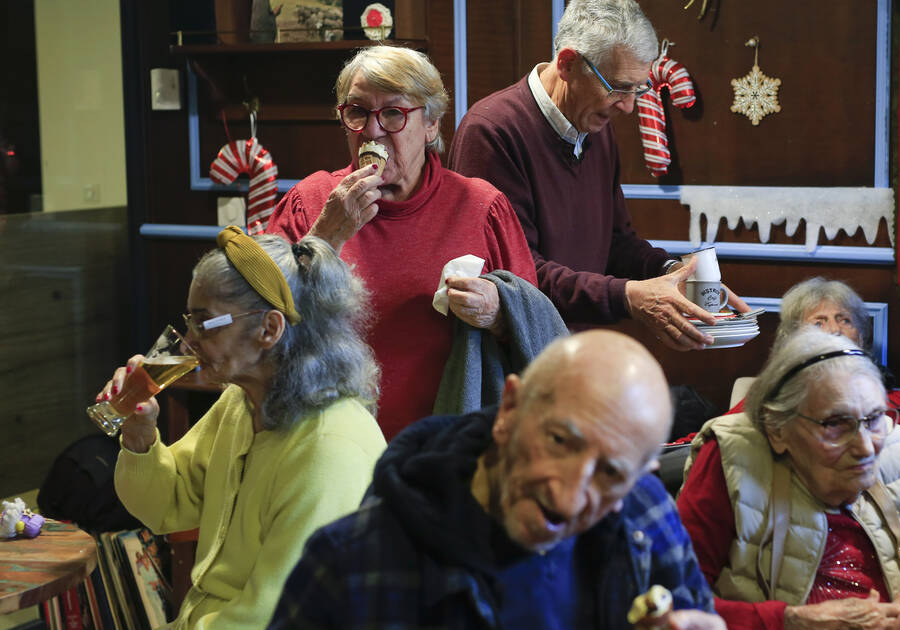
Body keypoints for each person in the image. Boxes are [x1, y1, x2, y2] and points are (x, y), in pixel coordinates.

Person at [269, 330, 726, 629]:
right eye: (560, 441)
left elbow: (695, 613)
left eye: (610, 474)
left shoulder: (645, 515)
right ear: (509, 409)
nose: (568, 500)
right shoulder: (353, 562)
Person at [101, 227, 387, 629]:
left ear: (269, 329)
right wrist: (139, 432)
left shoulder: (330, 448)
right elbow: (167, 504)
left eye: (205, 324)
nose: (188, 342)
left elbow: (276, 616)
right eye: (189, 321)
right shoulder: (241, 403)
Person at [266, 45, 537, 438]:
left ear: (430, 126)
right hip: (328, 445)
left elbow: (536, 332)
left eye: (393, 113)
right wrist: (326, 236)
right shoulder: (310, 202)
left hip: (448, 449)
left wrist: (499, 313)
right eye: (357, 111)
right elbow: (262, 324)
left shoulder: (482, 207)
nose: (372, 131)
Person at [448, 0, 746, 351]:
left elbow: (616, 242)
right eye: (619, 87)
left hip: (575, 353)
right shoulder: (492, 132)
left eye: (638, 89)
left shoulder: (594, 126)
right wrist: (629, 297)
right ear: (568, 64)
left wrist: (672, 273)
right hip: (517, 363)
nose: (628, 106)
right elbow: (519, 277)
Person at [677, 328, 900, 629]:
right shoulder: (732, 458)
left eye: (875, 418)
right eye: (836, 424)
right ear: (777, 430)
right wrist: (788, 621)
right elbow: (673, 596)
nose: (866, 447)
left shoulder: (898, 453)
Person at [727, 277, 900, 505]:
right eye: (818, 322)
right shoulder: (775, 399)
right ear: (793, 341)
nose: (835, 330)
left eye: (845, 320)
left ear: (861, 338)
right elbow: (716, 444)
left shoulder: (895, 403)